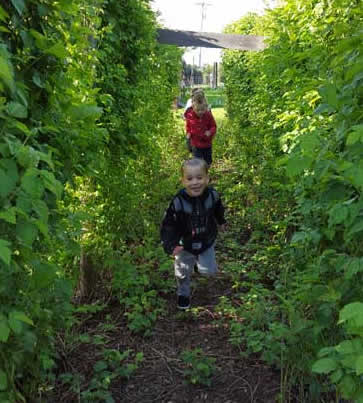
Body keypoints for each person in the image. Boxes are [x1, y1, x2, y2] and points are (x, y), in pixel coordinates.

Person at [160, 158, 227, 310]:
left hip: (206, 239)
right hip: (185, 244)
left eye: (199, 177)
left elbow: (218, 209)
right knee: (182, 272)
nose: (195, 182)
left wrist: (221, 221)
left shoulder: (212, 196)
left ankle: (199, 266)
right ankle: (183, 295)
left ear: (207, 178)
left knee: (209, 271)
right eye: (189, 179)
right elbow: (168, 224)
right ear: (183, 181)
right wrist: (171, 245)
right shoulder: (178, 201)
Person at [184, 91, 217, 166]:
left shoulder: (208, 115)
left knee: (208, 162)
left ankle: (205, 173)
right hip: (195, 144)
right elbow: (188, 126)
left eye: (202, 110)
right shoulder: (190, 115)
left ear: (205, 107)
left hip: (207, 143)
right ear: (193, 107)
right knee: (197, 162)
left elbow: (213, 126)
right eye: (198, 110)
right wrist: (188, 132)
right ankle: (199, 175)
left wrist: (210, 132)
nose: (200, 112)